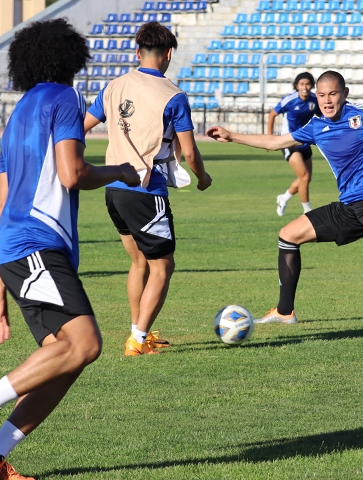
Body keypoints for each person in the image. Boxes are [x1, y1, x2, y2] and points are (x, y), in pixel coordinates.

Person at [0, 19, 140, 480]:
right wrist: (122, 171)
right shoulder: (65, 98)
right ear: (71, 58)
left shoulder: (17, 116)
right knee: (87, 343)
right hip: (38, 243)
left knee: (66, 360)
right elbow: (72, 173)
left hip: (17, 250)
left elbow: (0, 201)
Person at [207, 71, 363, 324]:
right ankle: (285, 312)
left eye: (332, 94)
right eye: (321, 95)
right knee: (288, 235)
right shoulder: (316, 127)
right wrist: (232, 136)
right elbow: (277, 141)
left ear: (345, 93)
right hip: (348, 206)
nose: (327, 100)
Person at [84, 22, 212, 356]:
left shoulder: (113, 86)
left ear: (138, 53)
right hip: (145, 190)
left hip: (113, 188)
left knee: (139, 262)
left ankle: (138, 333)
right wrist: (202, 178)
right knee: (162, 266)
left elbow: (82, 125)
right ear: (169, 53)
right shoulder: (173, 95)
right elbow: (190, 152)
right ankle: (138, 341)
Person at [268, 72, 322, 216]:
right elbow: (272, 114)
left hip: (305, 141)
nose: (305, 87)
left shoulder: (314, 100)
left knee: (306, 178)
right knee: (304, 176)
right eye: (302, 84)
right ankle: (307, 211)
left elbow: (321, 116)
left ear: (312, 85)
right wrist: (269, 137)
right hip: (289, 142)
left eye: (308, 84)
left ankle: (283, 198)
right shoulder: (289, 100)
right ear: (297, 86)